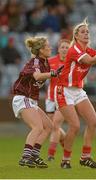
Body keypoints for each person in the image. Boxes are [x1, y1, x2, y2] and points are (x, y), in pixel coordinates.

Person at [54, 18, 96, 169]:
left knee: (93, 122)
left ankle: (85, 157)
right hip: (63, 90)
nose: (86, 34)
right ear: (76, 36)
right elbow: (91, 61)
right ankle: (65, 160)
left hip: (77, 90)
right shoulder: (74, 49)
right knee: (75, 125)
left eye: (87, 32)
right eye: (83, 32)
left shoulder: (88, 49)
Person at [12, 36, 64, 168]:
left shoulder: (45, 63)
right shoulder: (35, 61)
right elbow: (37, 76)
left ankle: (34, 155)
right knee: (38, 127)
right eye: (47, 45)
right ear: (41, 49)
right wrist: (53, 74)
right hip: (23, 98)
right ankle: (25, 157)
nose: (50, 47)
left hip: (31, 100)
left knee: (49, 127)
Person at [45, 39, 70, 161]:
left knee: (55, 125)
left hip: (63, 97)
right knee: (52, 126)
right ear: (58, 49)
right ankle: (66, 143)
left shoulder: (72, 63)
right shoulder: (50, 61)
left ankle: (51, 154)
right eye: (62, 47)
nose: (65, 49)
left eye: (67, 47)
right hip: (50, 98)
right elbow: (42, 76)